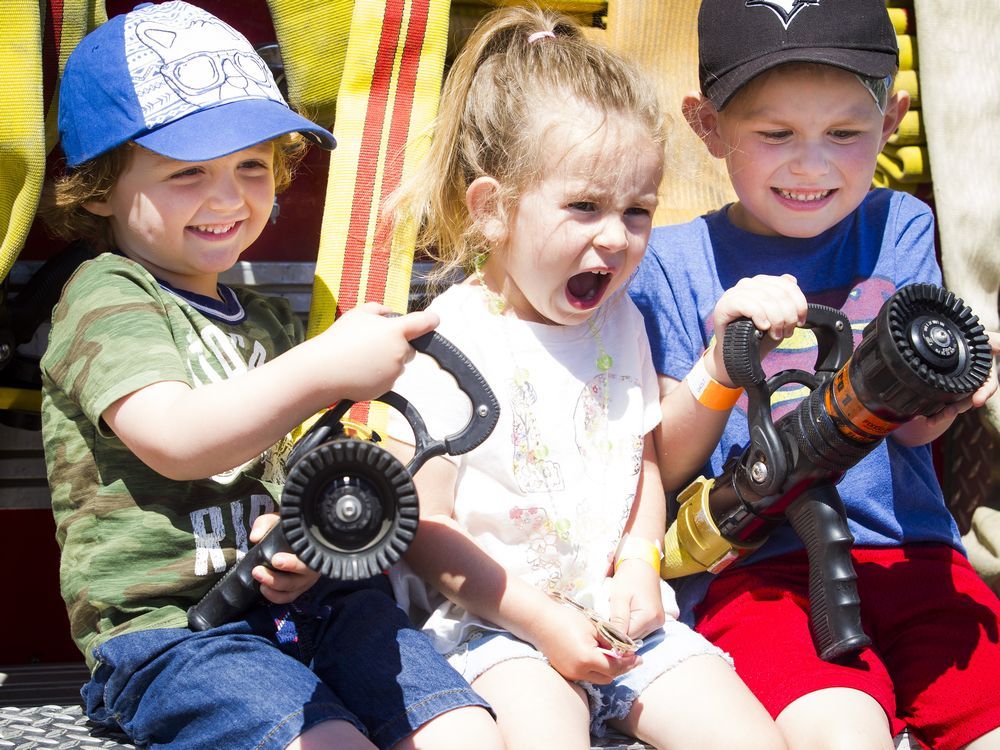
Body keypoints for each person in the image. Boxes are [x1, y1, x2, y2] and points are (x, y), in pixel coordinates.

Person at [39, 3, 504, 749]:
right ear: (97, 188)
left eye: (251, 166)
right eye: (188, 172)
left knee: (466, 729)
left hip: (311, 607)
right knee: (329, 742)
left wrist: (307, 546)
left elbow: (297, 471)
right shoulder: (107, 296)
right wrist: (322, 365)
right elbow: (178, 440)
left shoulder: (266, 320)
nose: (228, 198)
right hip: (176, 638)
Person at [381, 6, 786, 750]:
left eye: (637, 211)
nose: (615, 236)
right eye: (585, 207)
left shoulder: (618, 320)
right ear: (493, 209)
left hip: (618, 616)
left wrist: (639, 561)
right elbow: (423, 528)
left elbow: (641, 465)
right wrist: (542, 622)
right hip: (495, 626)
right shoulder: (445, 342)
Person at [628, 0, 1000, 748]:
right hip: (757, 573)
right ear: (708, 125)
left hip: (914, 558)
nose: (811, 164)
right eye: (776, 134)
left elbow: (914, 434)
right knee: (841, 731)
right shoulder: (669, 261)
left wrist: (946, 397)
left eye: (844, 133)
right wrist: (720, 362)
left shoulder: (898, 226)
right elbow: (664, 461)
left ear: (890, 121)